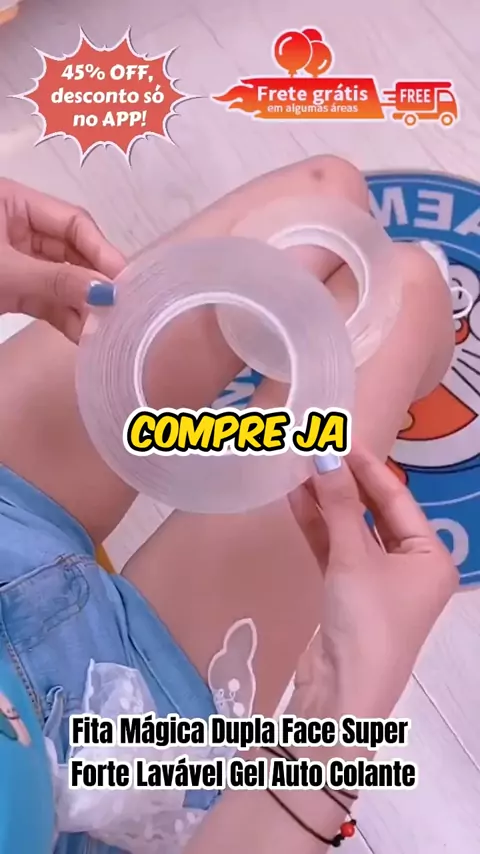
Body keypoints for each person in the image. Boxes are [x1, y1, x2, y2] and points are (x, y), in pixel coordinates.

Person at [0, 160, 457, 852]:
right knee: (408, 289)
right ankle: (408, 360)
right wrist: (335, 721)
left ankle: (310, 356)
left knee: (326, 196)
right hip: (126, 763)